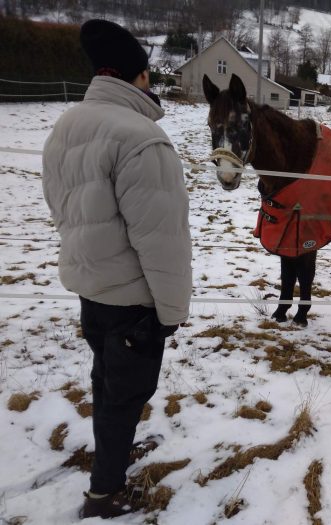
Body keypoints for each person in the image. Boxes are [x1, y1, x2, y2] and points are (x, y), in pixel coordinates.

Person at [41, 19, 192, 519]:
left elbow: (61, 207)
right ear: (139, 76)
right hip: (133, 303)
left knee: (107, 383)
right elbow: (162, 240)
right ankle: (104, 494)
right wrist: (171, 312)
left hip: (93, 290)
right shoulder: (141, 138)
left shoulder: (69, 125)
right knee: (124, 396)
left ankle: (113, 453)